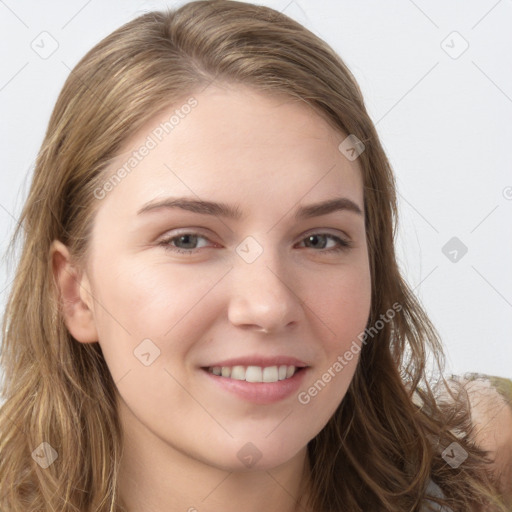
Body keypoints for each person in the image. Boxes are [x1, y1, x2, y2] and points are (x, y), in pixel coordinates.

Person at [0, 1, 510, 511]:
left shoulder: (485, 469)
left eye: (319, 240)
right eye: (187, 240)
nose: (268, 306)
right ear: (75, 293)